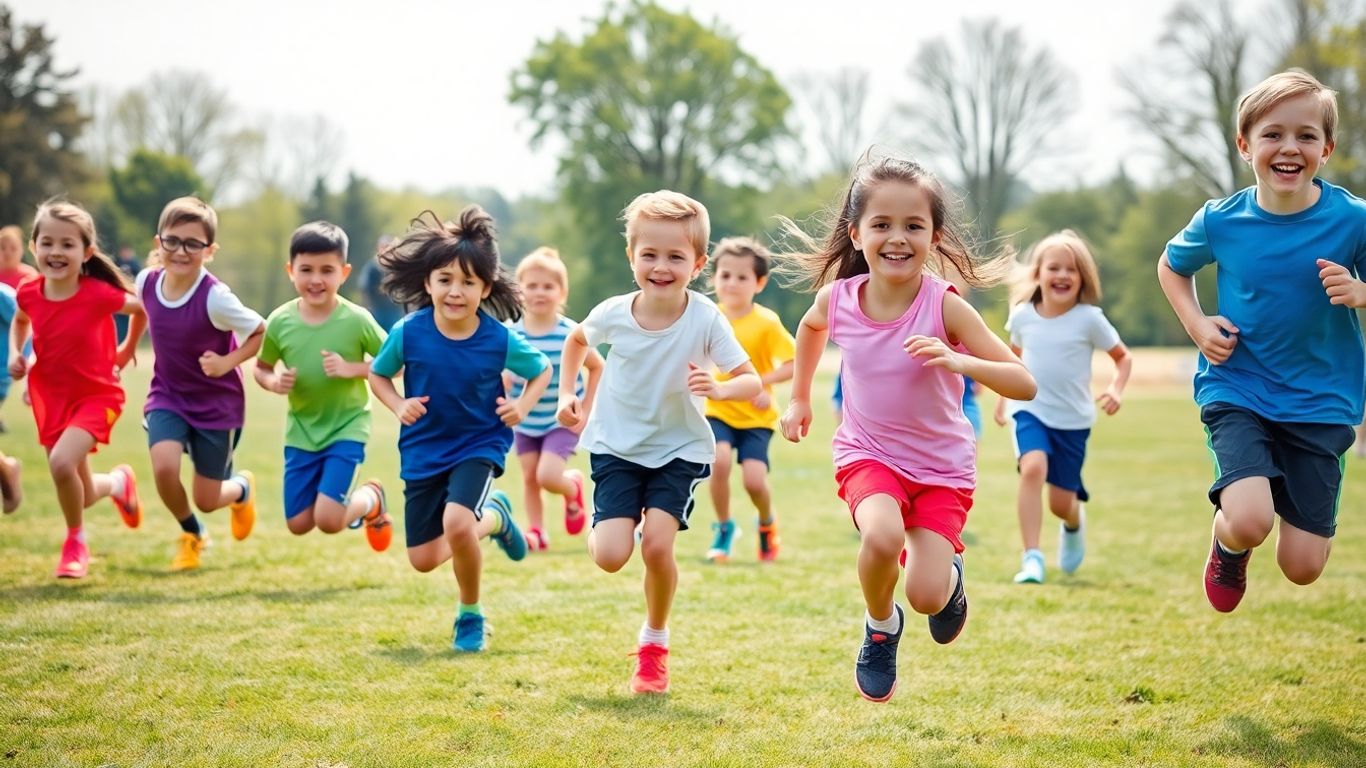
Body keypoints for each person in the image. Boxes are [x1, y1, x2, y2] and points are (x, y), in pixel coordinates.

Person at [778, 155, 1035, 703]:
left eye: (914, 226)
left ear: (935, 236)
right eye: (882, 225)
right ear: (856, 234)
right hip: (867, 453)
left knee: (925, 594)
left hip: (942, 470)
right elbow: (809, 327)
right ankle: (879, 626)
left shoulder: (946, 308)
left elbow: (1024, 383)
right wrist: (799, 397)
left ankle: (949, 582)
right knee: (881, 534)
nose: (898, 238)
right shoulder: (840, 300)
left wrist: (961, 361)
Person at [1158, 69, 1366, 613]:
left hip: (1320, 401)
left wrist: (1362, 292)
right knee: (1250, 520)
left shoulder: (1354, 221)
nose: (1289, 147)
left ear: (1327, 148)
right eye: (1273, 134)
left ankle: (1278, 513)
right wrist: (1199, 325)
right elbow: (1171, 267)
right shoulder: (1221, 221)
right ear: (1245, 145)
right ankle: (1228, 542)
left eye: (1306, 135)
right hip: (1239, 385)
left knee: (1302, 567)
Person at [557, 190, 760, 695]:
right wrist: (568, 392)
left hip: (679, 450)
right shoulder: (613, 313)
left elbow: (751, 381)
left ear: (697, 263)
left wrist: (720, 387)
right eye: (649, 254)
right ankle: (603, 520)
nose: (661, 266)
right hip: (617, 447)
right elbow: (577, 341)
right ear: (632, 257)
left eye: (675, 256)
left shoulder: (706, 318)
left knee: (658, 545)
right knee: (610, 555)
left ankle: (654, 644)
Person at [368, 207, 551, 653]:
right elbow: (378, 376)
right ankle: (496, 518)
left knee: (455, 522)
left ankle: (470, 614)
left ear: (485, 288)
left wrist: (522, 405)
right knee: (423, 559)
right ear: (428, 283)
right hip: (423, 450)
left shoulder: (498, 338)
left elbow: (541, 369)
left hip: (478, 444)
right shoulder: (408, 332)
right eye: (445, 279)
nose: (456, 291)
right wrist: (397, 403)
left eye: (468, 282)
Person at [8, 201, 147, 578]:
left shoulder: (98, 294)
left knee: (60, 464)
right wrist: (15, 355)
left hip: (98, 396)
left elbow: (143, 309)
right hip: (49, 398)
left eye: (67, 244)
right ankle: (119, 483)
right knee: (82, 494)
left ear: (86, 253)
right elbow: (21, 322)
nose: (56, 252)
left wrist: (127, 349)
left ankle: (75, 543)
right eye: (47, 242)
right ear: (34, 247)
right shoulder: (29, 292)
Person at [993, 231, 1131, 584]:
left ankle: (1073, 523)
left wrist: (1116, 389)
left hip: (1073, 420)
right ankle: (1032, 558)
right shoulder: (1023, 316)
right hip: (1029, 410)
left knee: (1060, 503)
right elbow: (1013, 358)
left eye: (1072, 269)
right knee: (1033, 467)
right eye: (1054, 267)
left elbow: (1122, 358)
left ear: (1083, 277)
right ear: (1038, 274)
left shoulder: (1090, 319)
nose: (1063, 275)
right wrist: (1001, 399)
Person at [139, 197, 266, 571]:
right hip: (167, 395)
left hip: (216, 404)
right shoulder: (147, 282)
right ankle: (192, 533)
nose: (181, 250)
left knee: (208, 497)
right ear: (158, 241)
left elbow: (261, 331)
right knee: (164, 467)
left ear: (209, 251)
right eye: (172, 240)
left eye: (193, 243)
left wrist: (228, 361)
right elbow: (137, 310)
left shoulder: (216, 297)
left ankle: (240, 488)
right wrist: (126, 347)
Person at [254, 221, 392, 551]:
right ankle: (363, 500)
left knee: (329, 520)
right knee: (299, 523)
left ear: (344, 273)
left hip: (347, 427)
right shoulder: (279, 321)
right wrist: (273, 382)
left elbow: (394, 364)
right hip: (301, 431)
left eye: (327, 270)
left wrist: (352, 368)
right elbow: (261, 368)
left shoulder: (357, 319)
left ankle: (371, 499)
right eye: (307, 270)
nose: (316, 279)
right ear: (291, 271)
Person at [703, 236, 795, 562]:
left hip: (757, 416)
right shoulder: (707, 316)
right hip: (718, 409)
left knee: (755, 481)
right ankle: (724, 527)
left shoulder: (767, 323)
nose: (732, 283)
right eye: (725, 275)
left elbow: (793, 364)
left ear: (759, 282)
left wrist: (759, 385)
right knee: (719, 462)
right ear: (713, 279)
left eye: (742, 277)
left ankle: (767, 522)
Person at [506, 246, 603, 551]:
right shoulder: (512, 334)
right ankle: (536, 531)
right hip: (525, 420)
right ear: (519, 291)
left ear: (562, 292)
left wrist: (585, 410)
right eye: (531, 286)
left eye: (548, 286)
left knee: (547, 475)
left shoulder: (571, 332)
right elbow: (501, 370)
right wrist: (505, 384)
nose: (539, 292)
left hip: (561, 420)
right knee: (530, 478)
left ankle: (571, 486)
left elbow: (597, 367)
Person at [0, 225, 39, 420]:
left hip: (24, 335)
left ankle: (30, 388)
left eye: (12, 248)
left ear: (21, 251)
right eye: (2, 248)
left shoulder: (28, 277)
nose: (7, 253)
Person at [360, 235, 403, 332]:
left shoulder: (397, 267)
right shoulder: (372, 268)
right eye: (384, 247)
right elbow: (365, 289)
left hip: (395, 312)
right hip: (377, 311)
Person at [112, 245, 142, 341]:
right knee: (119, 325)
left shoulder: (134, 264)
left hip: (132, 295)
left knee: (130, 322)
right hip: (119, 295)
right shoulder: (117, 262)